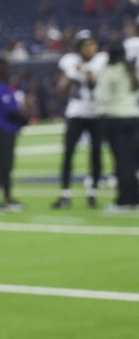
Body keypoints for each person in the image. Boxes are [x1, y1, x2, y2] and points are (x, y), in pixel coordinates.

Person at [52, 30, 107, 208]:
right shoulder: (69, 62)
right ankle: (65, 194)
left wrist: (87, 73)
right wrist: (71, 75)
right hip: (76, 112)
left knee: (96, 155)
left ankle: (92, 193)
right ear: (79, 48)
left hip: (96, 112)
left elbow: (95, 85)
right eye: (87, 45)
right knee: (68, 152)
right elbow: (61, 92)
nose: (91, 48)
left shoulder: (101, 60)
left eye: (93, 44)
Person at [96, 43, 139, 211]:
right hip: (133, 117)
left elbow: (102, 97)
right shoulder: (130, 70)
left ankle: (124, 200)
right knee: (132, 161)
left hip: (115, 119)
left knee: (122, 162)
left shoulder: (108, 71)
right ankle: (135, 198)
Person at [0, 57, 28, 213]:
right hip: (1, 128)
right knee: (2, 163)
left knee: (6, 163)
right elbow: (8, 110)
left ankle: (7, 197)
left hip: (4, 128)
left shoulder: (0, 86)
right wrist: (23, 120)